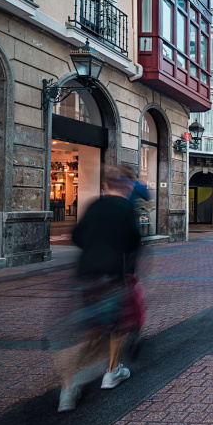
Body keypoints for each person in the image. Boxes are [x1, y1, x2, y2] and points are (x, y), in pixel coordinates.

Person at [57, 167, 141, 412]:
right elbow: (134, 243)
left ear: (105, 186)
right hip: (113, 275)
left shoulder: (94, 206)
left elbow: (77, 236)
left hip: (87, 275)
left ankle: (67, 388)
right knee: (118, 325)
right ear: (126, 187)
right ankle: (112, 371)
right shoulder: (127, 209)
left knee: (90, 331)